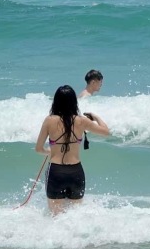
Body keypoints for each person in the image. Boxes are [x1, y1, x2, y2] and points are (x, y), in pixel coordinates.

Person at [34, 85, 110, 216]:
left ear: (56, 101)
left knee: (55, 217)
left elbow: (38, 149)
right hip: (76, 173)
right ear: (74, 101)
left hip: (56, 172)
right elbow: (106, 132)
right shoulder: (82, 121)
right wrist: (95, 117)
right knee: (76, 217)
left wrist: (50, 152)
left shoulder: (49, 120)